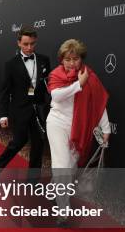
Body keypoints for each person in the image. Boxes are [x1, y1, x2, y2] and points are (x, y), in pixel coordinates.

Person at [0, 27, 50, 172]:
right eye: (25, 44)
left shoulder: (44, 60)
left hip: (38, 109)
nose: (29, 47)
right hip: (20, 109)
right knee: (18, 142)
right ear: (18, 43)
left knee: (38, 144)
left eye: (32, 43)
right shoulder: (10, 64)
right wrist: (3, 114)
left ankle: (33, 182)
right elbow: (4, 91)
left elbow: (48, 85)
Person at [47, 39, 110, 167]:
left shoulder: (90, 76)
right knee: (62, 165)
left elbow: (99, 104)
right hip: (57, 123)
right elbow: (56, 96)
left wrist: (106, 128)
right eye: (67, 59)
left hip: (79, 127)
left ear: (81, 59)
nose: (71, 63)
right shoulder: (56, 75)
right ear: (62, 60)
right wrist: (79, 84)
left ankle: (59, 187)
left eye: (75, 59)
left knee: (70, 167)